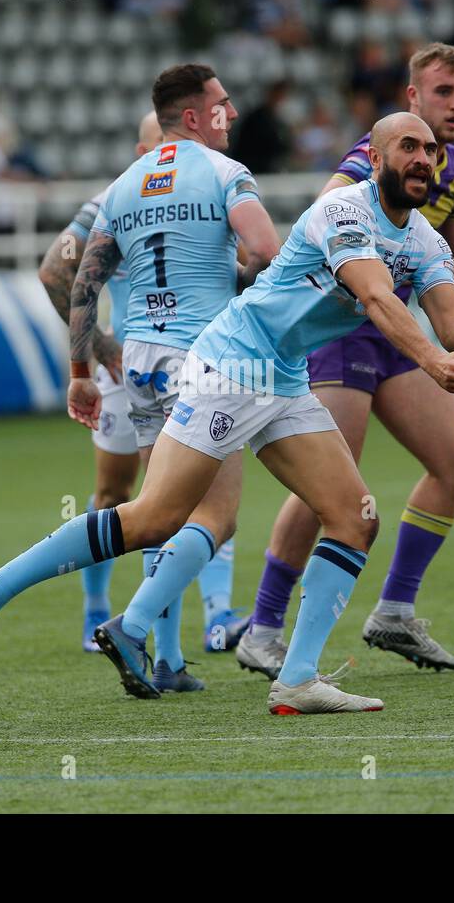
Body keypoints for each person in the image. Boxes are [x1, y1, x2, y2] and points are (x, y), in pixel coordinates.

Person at [0, 111, 454, 714]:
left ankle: (296, 680)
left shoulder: (424, 238)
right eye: (408, 147)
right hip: (234, 362)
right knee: (155, 518)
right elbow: (378, 299)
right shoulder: (342, 210)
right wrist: (435, 365)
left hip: (284, 375)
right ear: (374, 158)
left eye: (431, 151)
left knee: (354, 519)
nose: (424, 159)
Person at [238, 42, 454, 679]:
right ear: (413, 97)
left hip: (399, 332)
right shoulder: (374, 155)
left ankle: (393, 611)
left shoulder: (452, 165)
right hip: (347, 327)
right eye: (444, 92)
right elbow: (330, 215)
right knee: (333, 478)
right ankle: (264, 626)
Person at [23, 63, 280, 692]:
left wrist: (82, 365)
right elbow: (266, 254)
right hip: (203, 359)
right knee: (203, 514)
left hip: (136, 363)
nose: (232, 114)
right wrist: (245, 299)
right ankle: (113, 621)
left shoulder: (120, 188)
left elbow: (76, 276)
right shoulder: (223, 174)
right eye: (221, 104)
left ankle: (167, 655)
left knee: (156, 509)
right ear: (189, 119)